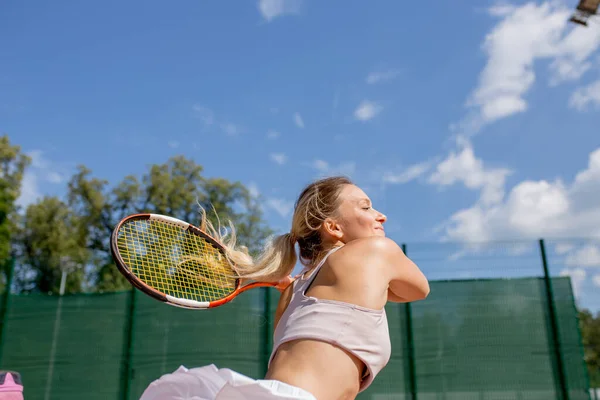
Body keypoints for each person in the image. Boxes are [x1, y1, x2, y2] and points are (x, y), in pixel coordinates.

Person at [140, 176, 430, 400]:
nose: (381, 215)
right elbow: (417, 289)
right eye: (366, 206)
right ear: (334, 228)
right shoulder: (377, 250)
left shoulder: (292, 295)